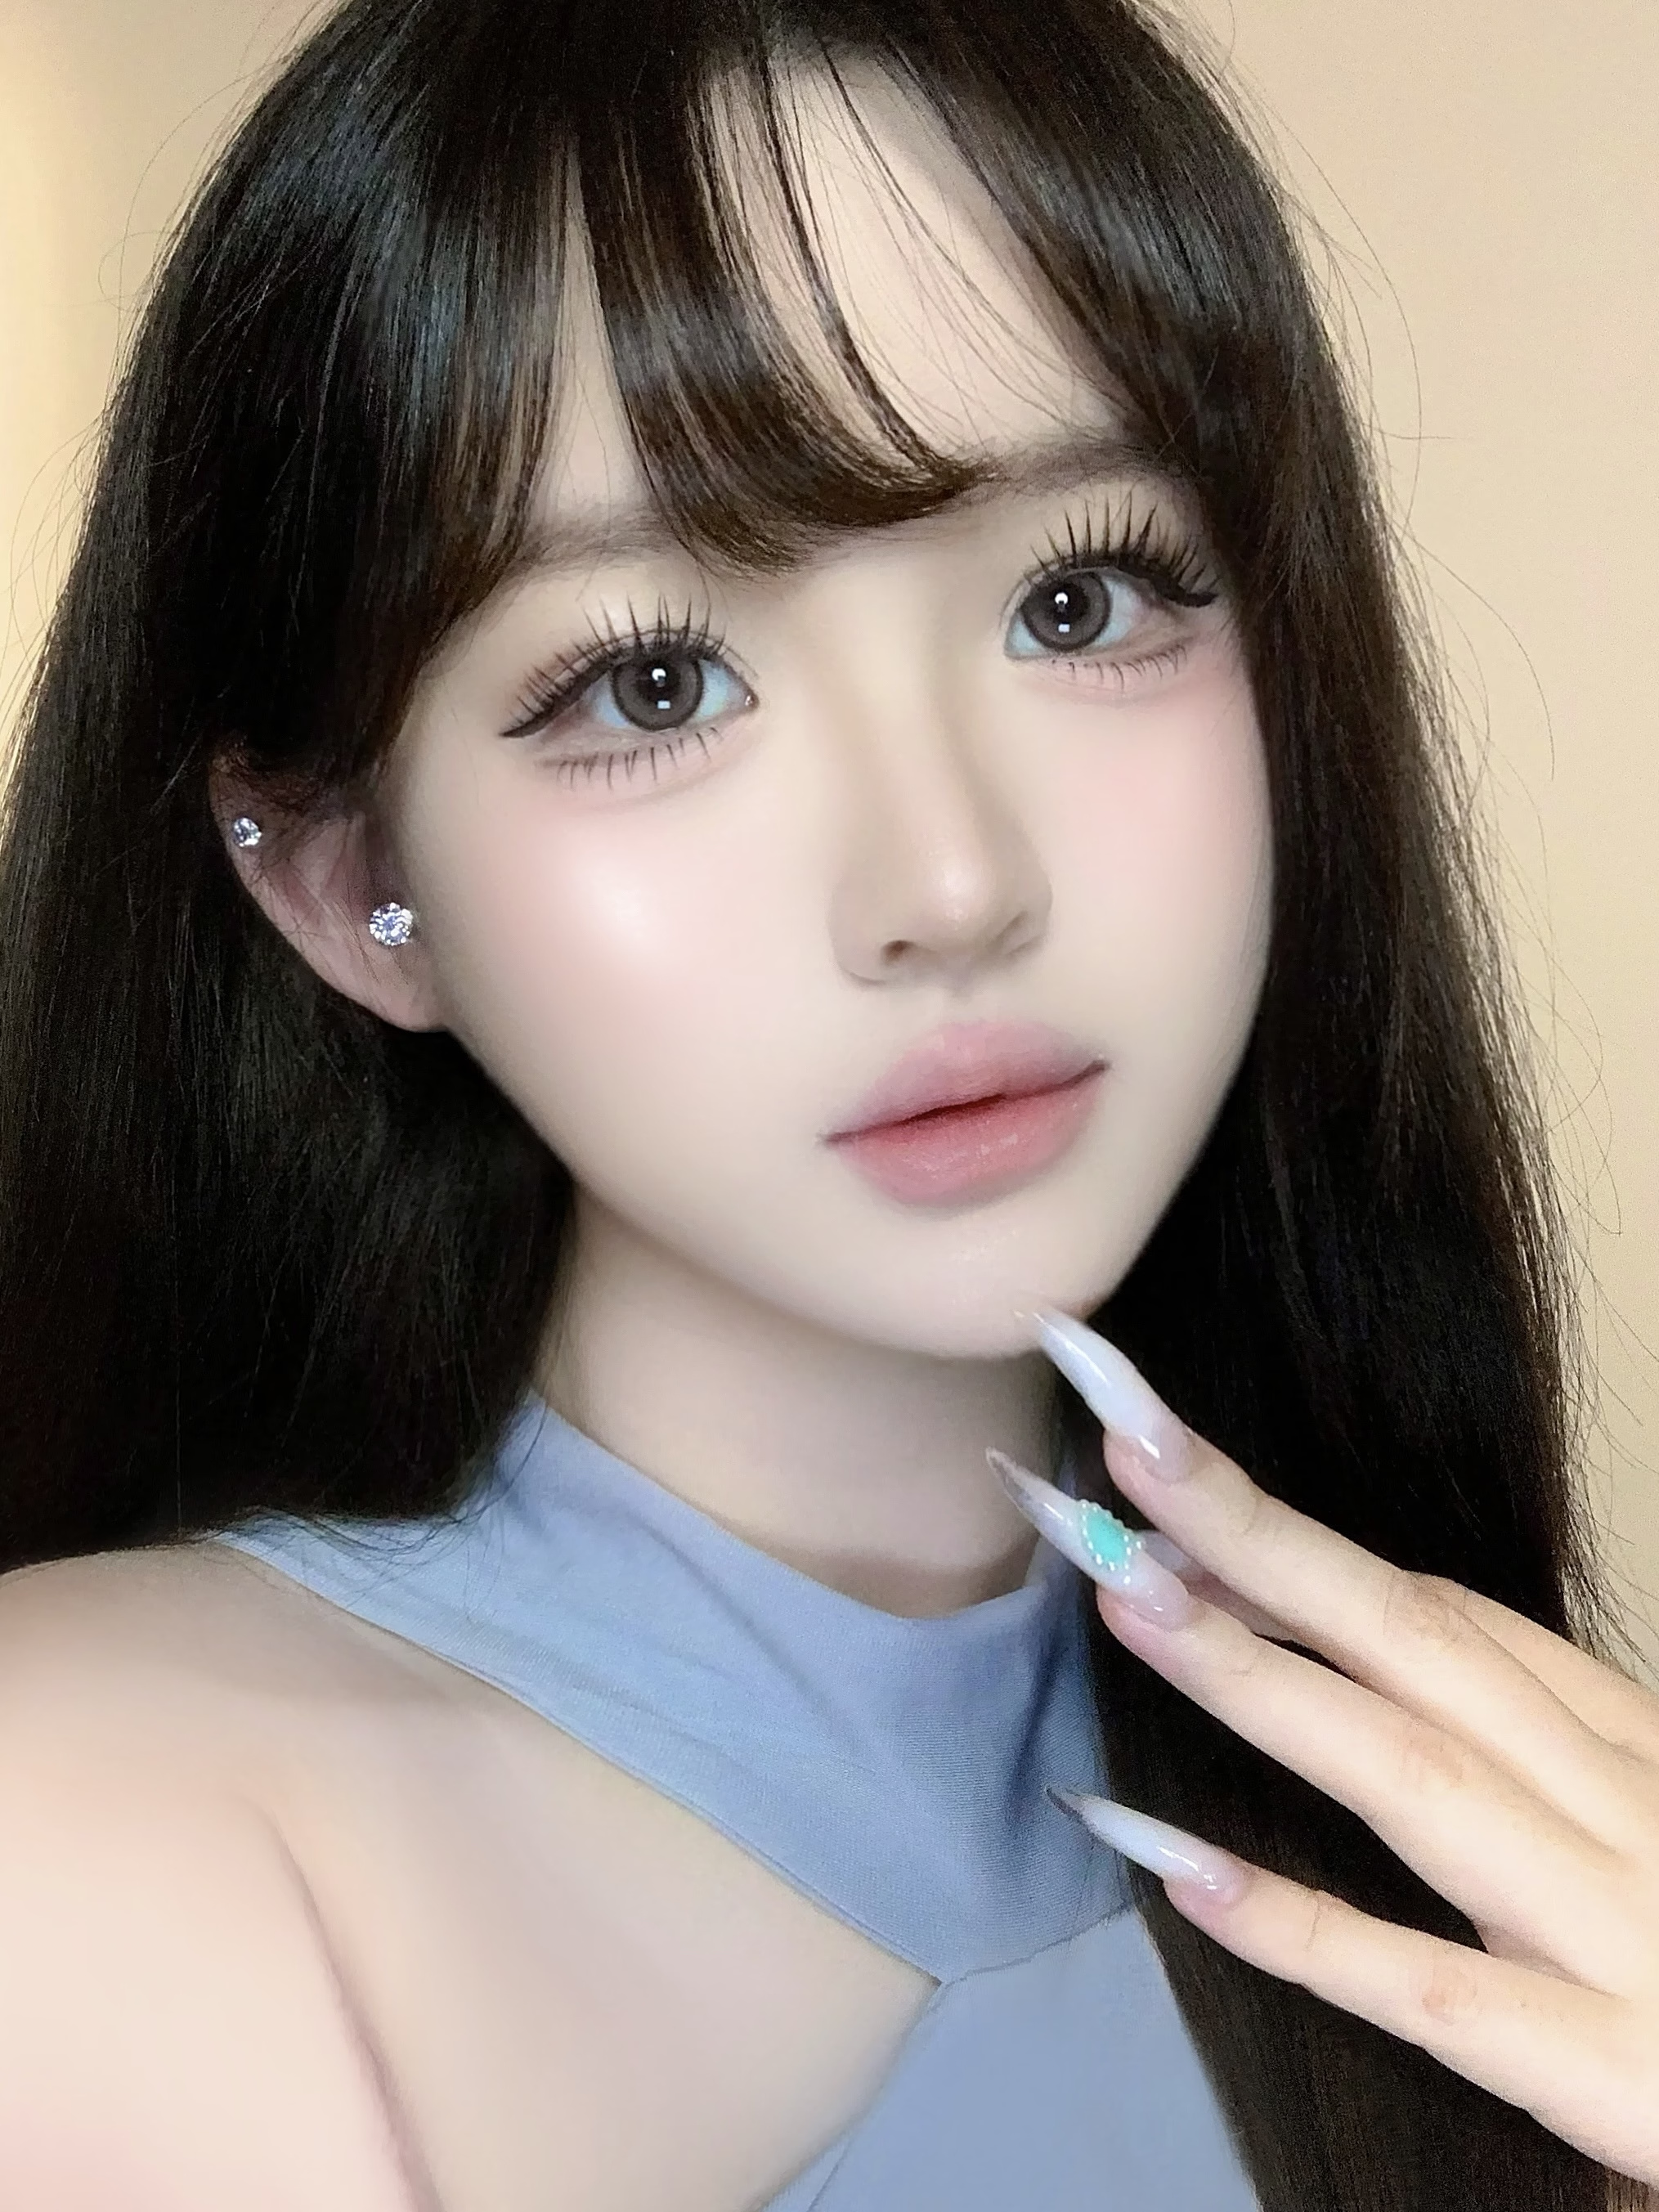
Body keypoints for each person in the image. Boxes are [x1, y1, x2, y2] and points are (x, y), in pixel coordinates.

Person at [0, 0, 1654, 2205]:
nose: (951, 886)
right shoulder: (93, 1840)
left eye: (1079, 598)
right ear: (343, 878)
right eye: (653, 679)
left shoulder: (1481, 1796)